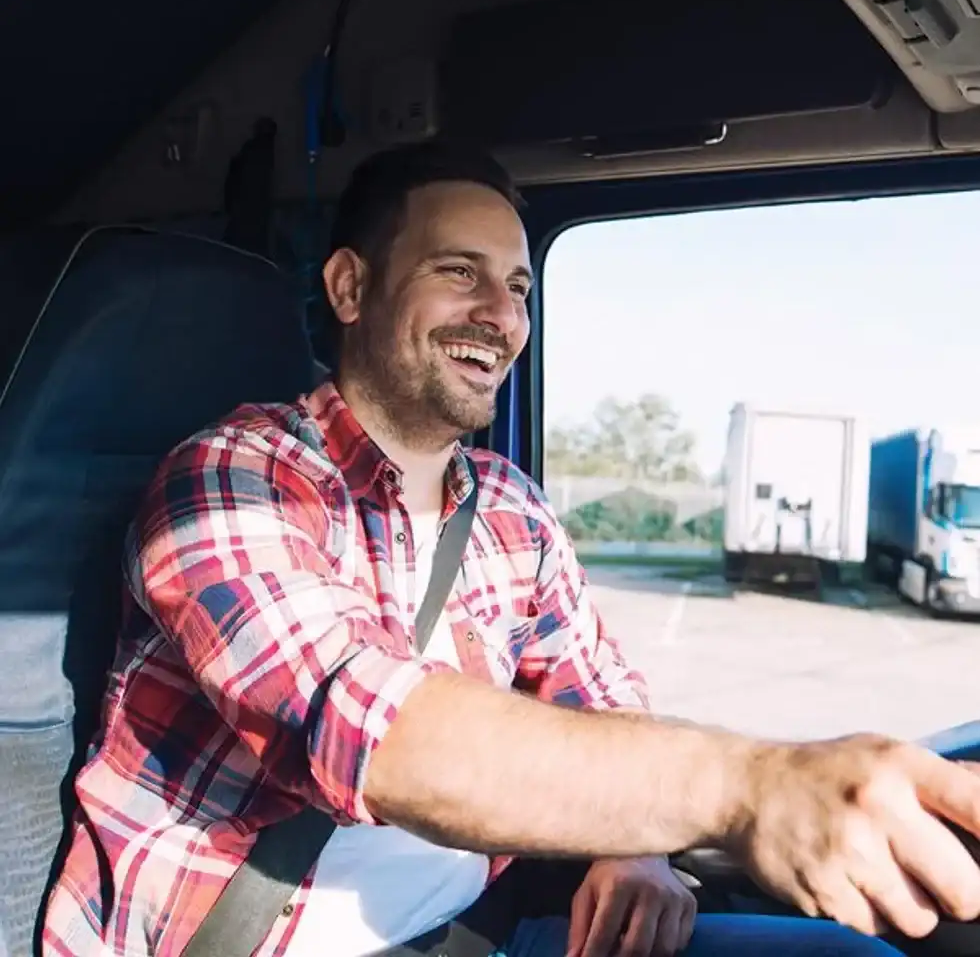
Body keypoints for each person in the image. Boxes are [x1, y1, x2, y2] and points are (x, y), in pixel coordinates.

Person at [42, 141, 980, 957]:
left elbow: (602, 698)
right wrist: (749, 784)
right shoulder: (229, 476)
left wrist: (636, 845)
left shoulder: (510, 510)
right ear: (351, 287)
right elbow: (367, 728)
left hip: (481, 931)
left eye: (520, 286)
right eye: (460, 272)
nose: (502, 314)